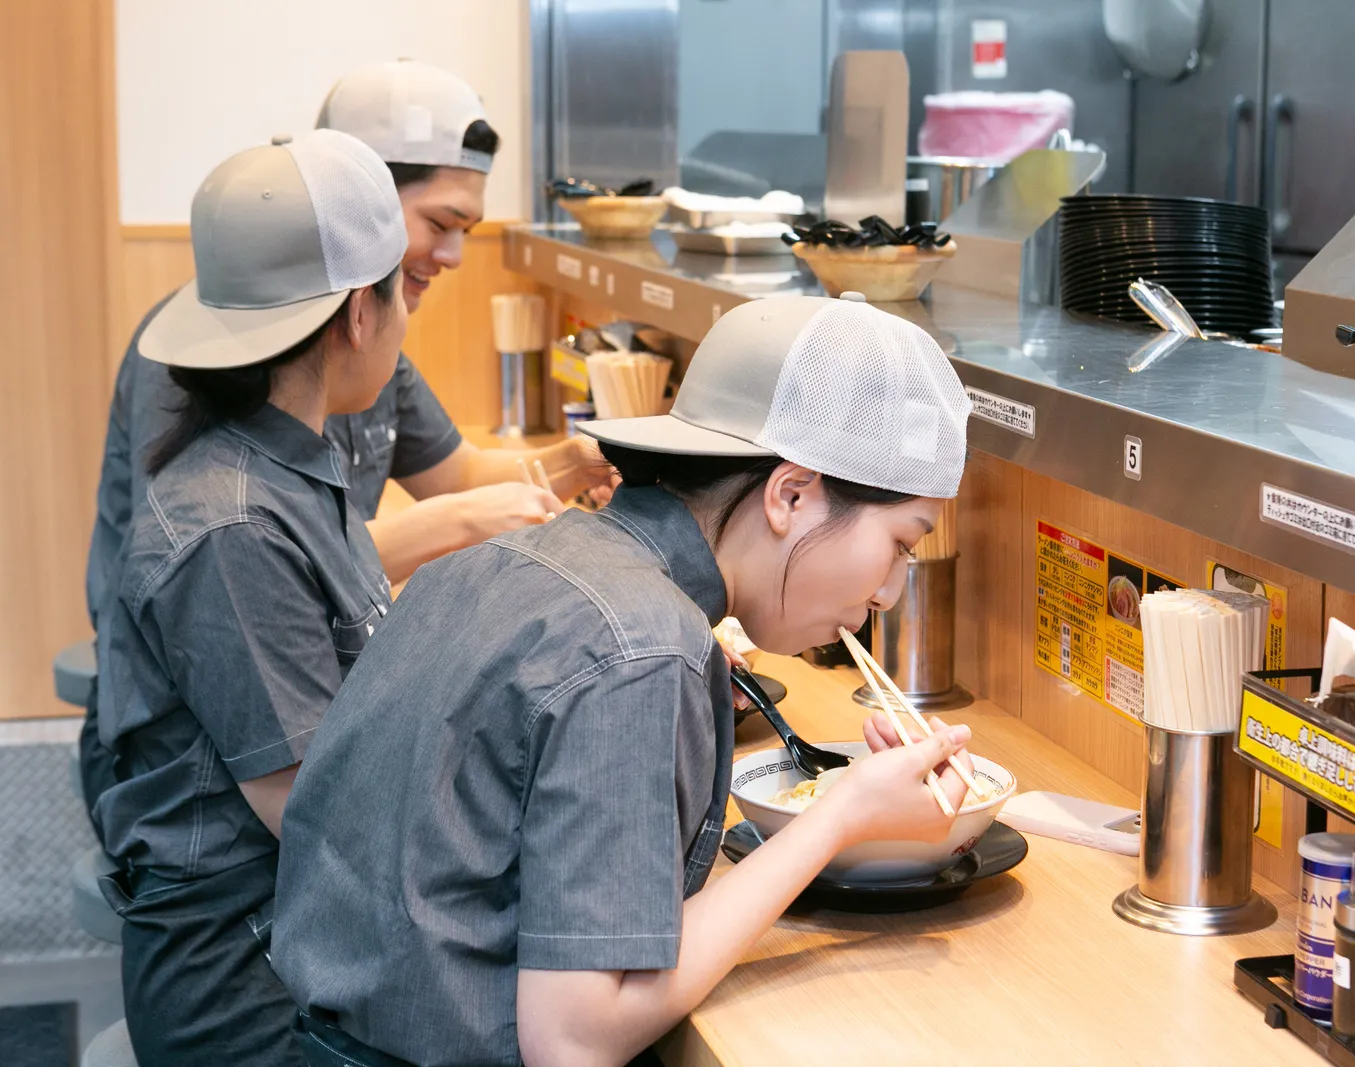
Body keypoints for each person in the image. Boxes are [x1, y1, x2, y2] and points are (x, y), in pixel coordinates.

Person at [271, 294, 976, 1067]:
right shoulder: (643, 645)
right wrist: (841, 815)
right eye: (903, 543)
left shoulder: (518, 561)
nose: (888, 592)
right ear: (792, 494)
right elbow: (575, 1039)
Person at [80, 58, 608, 825]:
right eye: (437, 226)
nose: (451, 257)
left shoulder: (329, 384)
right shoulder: (227, 482)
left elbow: (454, 471)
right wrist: (450, 529)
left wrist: (580, 459)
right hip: (214, 819)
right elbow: (311, 802)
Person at [93, 130, 410, 1067]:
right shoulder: (230, 523)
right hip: (248, 985)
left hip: (301, 940)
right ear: (361, 312)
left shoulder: (285, 463)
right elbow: (311, 808)